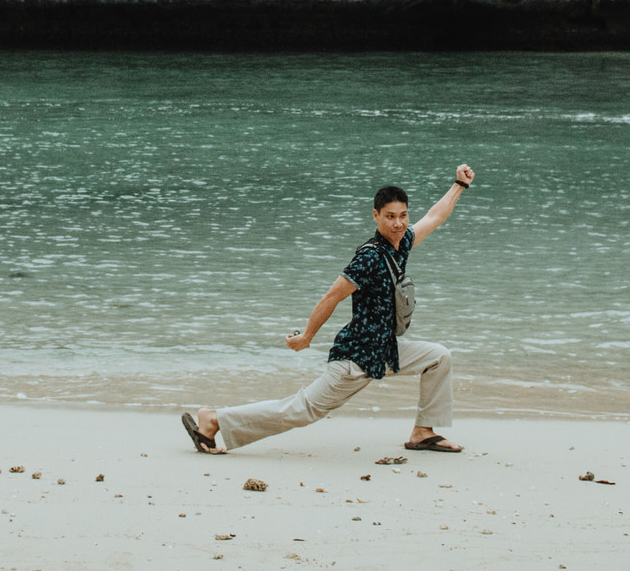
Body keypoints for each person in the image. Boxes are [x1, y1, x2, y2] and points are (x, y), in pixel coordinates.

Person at [181, 165, 476, 455]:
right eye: (390, 217)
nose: (398, 224)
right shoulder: (369, 258)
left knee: (439, 357)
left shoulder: (402, 244)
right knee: (303, 410)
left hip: (385, 350)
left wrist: (458, 185)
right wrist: (306, 336)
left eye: (403, 216)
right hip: (357, 356)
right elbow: (331, 297)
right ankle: (214, 419)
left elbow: (435, 216)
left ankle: (423, 432)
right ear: (376, 216)